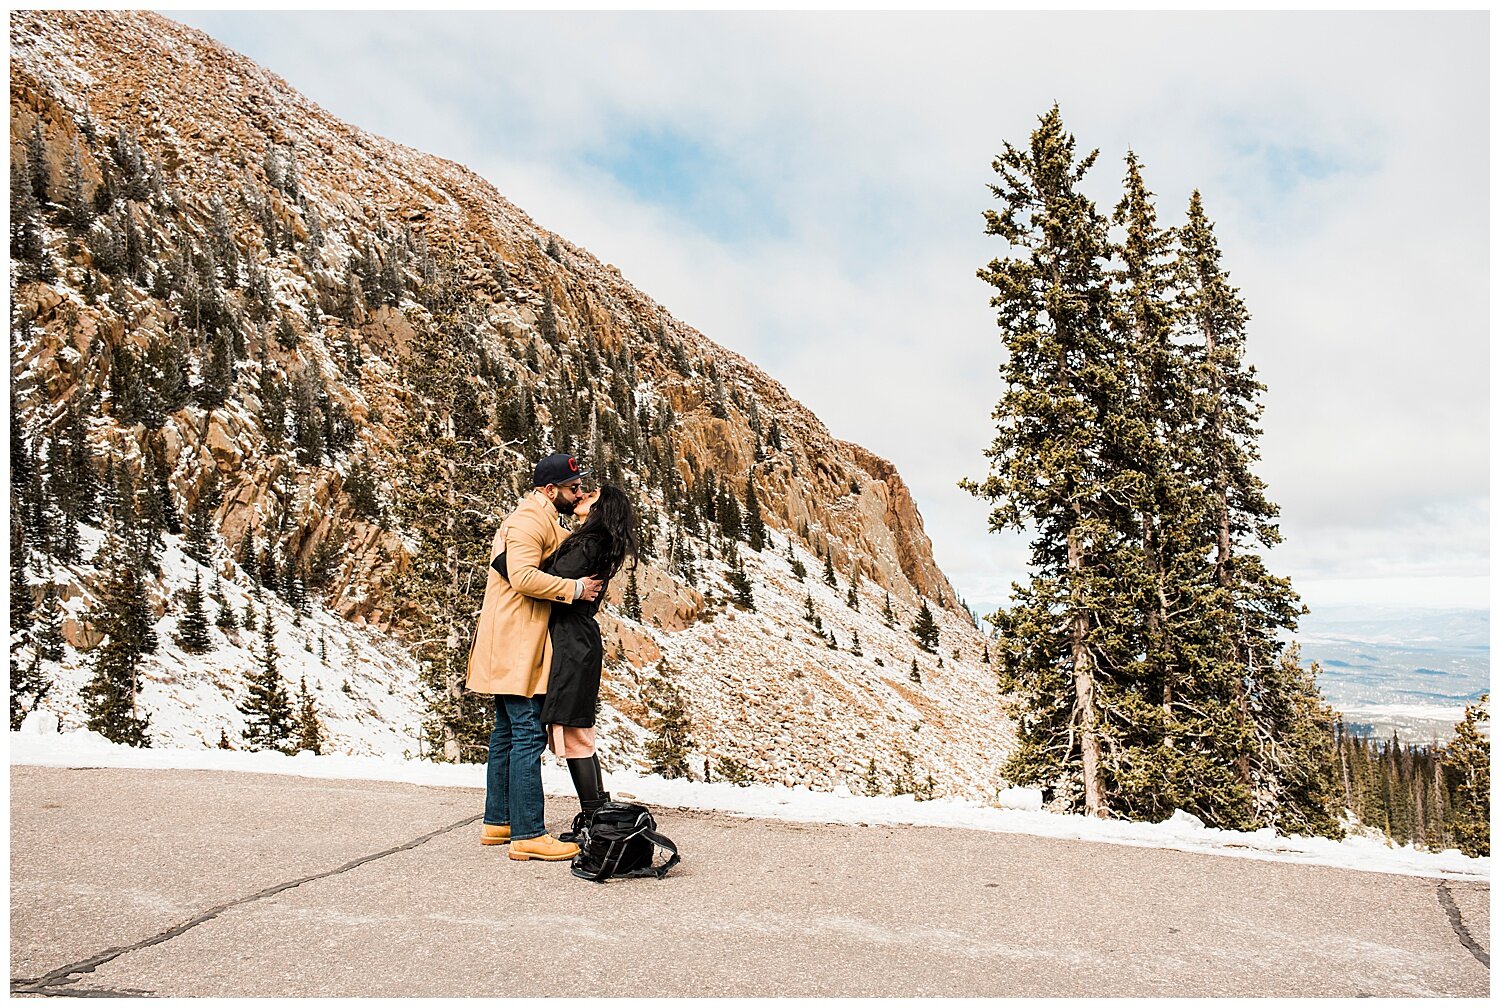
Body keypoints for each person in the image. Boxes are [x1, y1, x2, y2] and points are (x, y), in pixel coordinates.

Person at [466, 452, 603, 862]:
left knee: (506, 733)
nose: (578, 492)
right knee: (526, 733)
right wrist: (576, 589)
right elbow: (523, 576)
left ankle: (499, 821)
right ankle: (528, 832)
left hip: (512, 642)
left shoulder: (541, 519)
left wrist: (583, 517)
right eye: (572, 487)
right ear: (549, 490)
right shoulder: (527, 521)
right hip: (516, 643)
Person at [537, 484, 639, 841]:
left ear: (602, 507)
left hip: (572, 641)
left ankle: (596, 820)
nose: (580, 497)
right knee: (578, 729)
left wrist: (510, 563)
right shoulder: (596, 541)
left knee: (574, 730)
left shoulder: (590, 543)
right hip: (576, 639)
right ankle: (597, 814)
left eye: (590, 495)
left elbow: (552, 582)